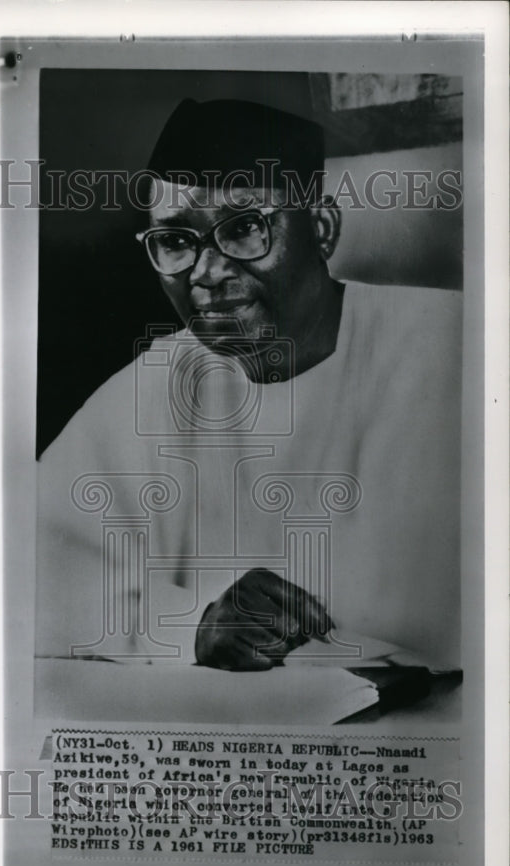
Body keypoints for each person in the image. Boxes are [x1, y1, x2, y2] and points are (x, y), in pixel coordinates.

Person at [35, 98, 462, 672]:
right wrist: (193, 625)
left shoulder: (455, 345)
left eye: (243, 230)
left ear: (322, 228)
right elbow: (27, 572)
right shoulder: (162, 380)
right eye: (176, 242)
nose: (206, 273)